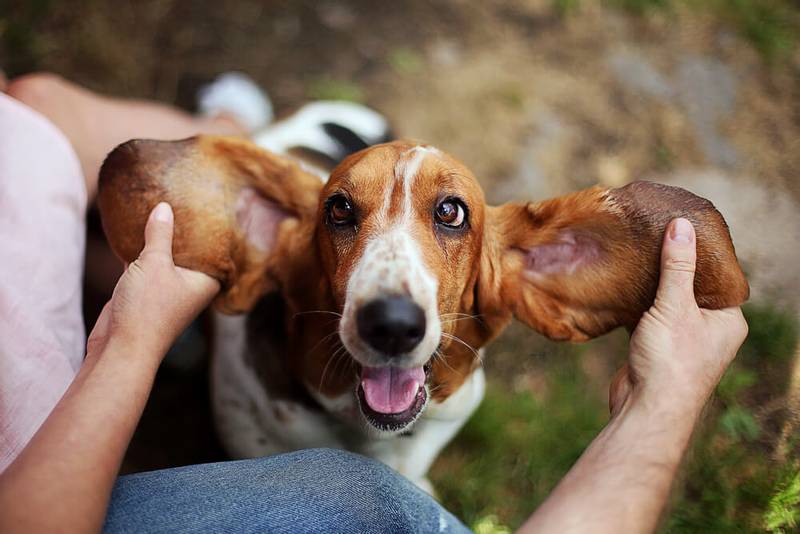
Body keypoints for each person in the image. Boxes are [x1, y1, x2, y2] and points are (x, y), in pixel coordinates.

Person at [0, 73, 748, 533]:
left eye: (448, 216)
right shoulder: (279, 256)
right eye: (343, 217)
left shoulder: (504, 276)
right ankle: (242, 129)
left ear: (509, 261)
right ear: (293, 245)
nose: (393, 308)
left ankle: (239, 121)